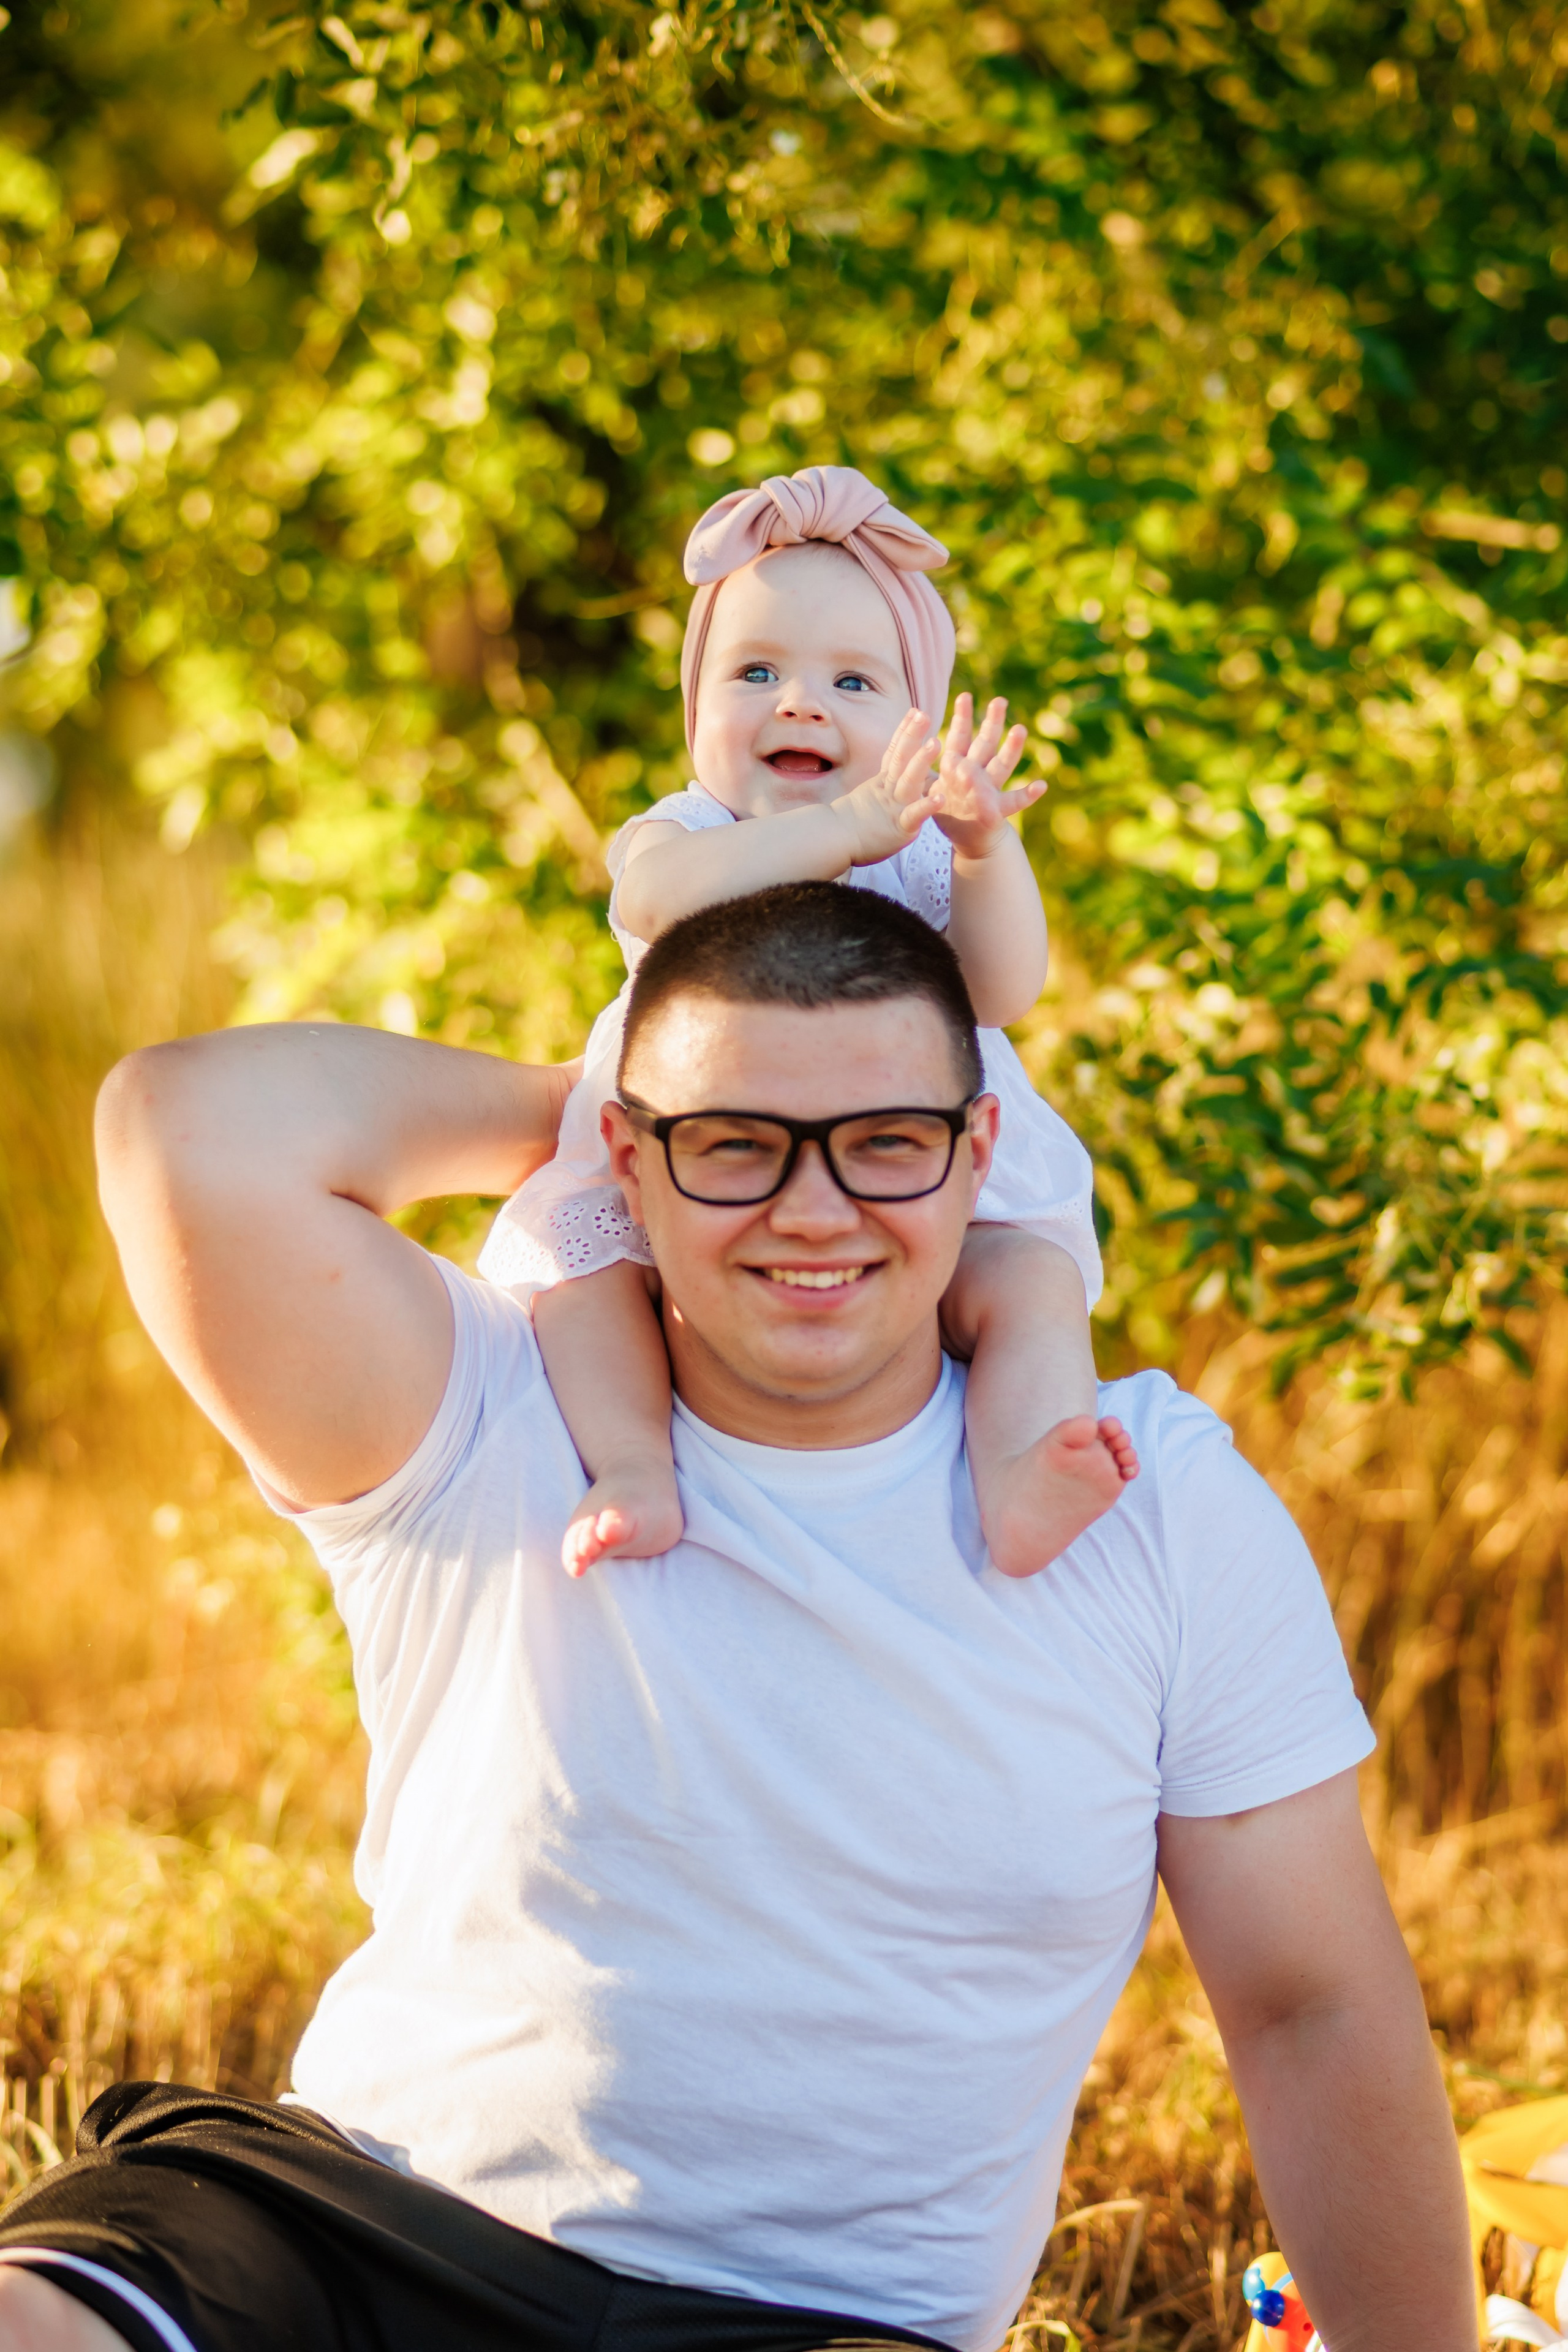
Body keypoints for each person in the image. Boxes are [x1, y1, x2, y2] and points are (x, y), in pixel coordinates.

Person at [0, 883, 1472, 2352]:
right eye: (736, 1146)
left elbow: (1308, 2010)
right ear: (625, 1163)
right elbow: (183, 1126)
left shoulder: (1143, 1501)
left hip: (802, 2327)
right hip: (345, 2225)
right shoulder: (489, 1412)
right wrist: (590, 1097)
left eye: (884, 1143)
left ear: (981, 1157)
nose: (813, 1210)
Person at [478, 465, 1136, 1581]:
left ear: (916, 727)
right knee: (584, 1291)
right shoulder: (685, 827)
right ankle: (636, 1468)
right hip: (677, 1161)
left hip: (909, 1168)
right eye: (757, 671)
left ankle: (1023, 1473)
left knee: (1032, 1283)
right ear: (698, 712)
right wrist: (846, 828)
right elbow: (653, 904)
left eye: (852, 681)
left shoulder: (917, 843)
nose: (801, 702)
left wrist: (983, 850)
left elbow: (1005, 990)